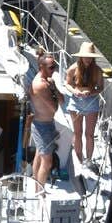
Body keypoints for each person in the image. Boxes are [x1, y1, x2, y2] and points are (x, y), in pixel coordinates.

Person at [64, 42, 104, 164]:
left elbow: (101, 88)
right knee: (77, 133)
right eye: (86, 56)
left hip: (91, 102)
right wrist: (75, 91)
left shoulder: (97, 70)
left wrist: (90, 93)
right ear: (81, 57)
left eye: (90, 57)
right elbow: (67, 84)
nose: (88, 59)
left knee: (90, 135)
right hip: (76, 102)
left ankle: (89, 160)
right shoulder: (72, 69)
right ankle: (79, 160)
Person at [28, 53, 62, 185]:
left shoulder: (48, 81)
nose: (54, 70)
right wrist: (53, 90)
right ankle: (40, 192)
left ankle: (36, 185)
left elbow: (61, 99)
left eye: (55, 66)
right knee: (47, 163)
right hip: (42, 126)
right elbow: (55, 107)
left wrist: (53, 89)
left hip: (46, 124)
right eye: (51, 67)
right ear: (41, 67)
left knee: (39, 154)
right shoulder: (41, 85)